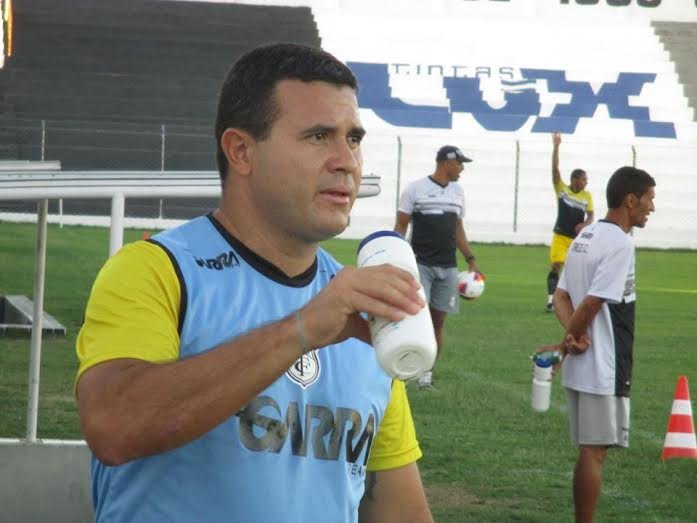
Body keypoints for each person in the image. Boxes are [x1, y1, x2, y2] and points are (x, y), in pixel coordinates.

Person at [75, 43, 434, 523]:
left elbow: (398, 507)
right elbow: (113, 426)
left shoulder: (364, 309)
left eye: (353, 138)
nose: (346, 161)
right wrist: (301, 329)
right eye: (319, 136)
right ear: (241, 151)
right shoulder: (158, 271)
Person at [545, 166, 656, 523]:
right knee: (594, 452)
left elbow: (561, 296)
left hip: (585, 361)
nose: (652, 207)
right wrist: (567, 344)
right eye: (649, 199)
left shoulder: (586, 235)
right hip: (603, 363)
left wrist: (571, 337)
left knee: (589, 450)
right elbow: (592, 303)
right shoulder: (620, 243)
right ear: (631, 200)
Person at [394, 145, 481, 389]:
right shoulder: (415, 189)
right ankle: (402, 371)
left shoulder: (458, 192)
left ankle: (426, 374)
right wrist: (395, 255)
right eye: (460, 163)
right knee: (414, 320)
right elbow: (401, 225)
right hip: (420, 265)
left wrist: (470, 258)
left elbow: (458, 228)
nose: (462, 168)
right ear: (446, 162)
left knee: (438, 323)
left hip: (448, 267)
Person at [546, 132, 594, 312]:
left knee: (575, 271)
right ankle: (551, 300)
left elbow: (591, 215)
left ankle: (572, 301)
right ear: (575, 179)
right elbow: (555, 170)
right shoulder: (562, 190)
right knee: (556, 265)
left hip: (576, 240)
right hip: (560, 236)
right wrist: (556, 147)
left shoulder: (586, 196)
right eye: (584, 179)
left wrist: (585, 224)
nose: (586, 182)